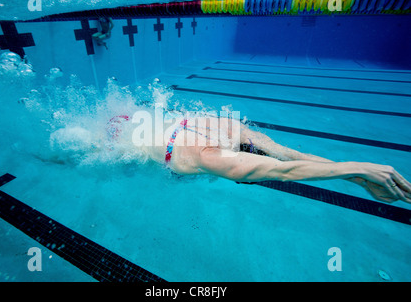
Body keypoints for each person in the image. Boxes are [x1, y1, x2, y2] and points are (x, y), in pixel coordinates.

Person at [52, 112, 411, 205]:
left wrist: (356, 177)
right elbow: (286, 170)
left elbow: (291, 156)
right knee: (82, 153)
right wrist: (359, 168)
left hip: (145, 127)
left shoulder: (235, 129)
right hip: (129, 145)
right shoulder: (215, 158)